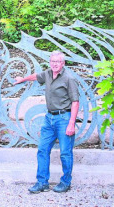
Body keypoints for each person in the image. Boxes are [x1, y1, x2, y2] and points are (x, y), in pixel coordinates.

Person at [14, 50, 79, 194]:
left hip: (64, 118)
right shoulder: (48, 74)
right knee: (42, 150)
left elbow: (75, 102)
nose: (55, 64)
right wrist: (22, 79)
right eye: (52, 61)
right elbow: (36, 76)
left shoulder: (69, 78)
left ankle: (66, 182)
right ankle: (42, 182)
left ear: (63, 63)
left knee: (65, 153)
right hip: (49, 118)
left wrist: (71, 123)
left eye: (57, 62)